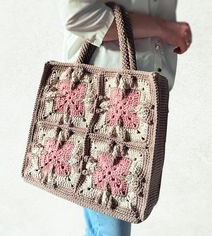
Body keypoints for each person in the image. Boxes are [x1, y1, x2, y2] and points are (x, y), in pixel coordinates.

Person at [57, 1, 192, 235]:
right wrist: (163, 28)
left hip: (146, 95)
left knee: (105, 219)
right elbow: (78, 16)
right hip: (103, 96)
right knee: (112, 221)